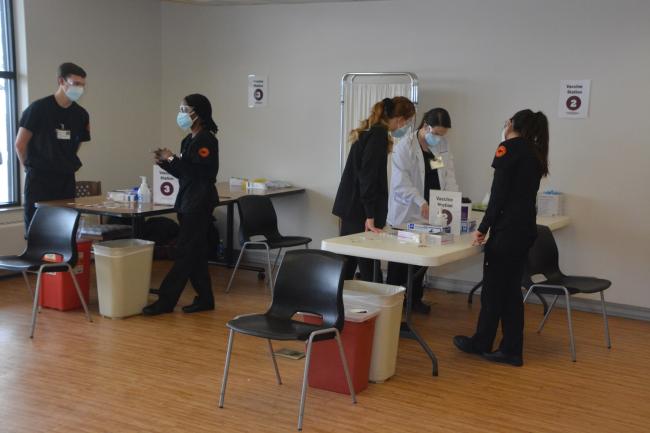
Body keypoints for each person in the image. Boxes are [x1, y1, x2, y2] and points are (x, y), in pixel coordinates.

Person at [453, 109, 549, 366]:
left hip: (508, 231)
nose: (504, 125)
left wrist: (483, 227)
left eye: (507, 122)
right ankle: (496, 344)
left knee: (497, 291)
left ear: (514, 125)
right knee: (507, 291)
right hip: (524, 229)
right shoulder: (535, 151)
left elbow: (499, 194)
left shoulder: (509, 148)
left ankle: (500, 347)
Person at [143, 94, 220, 316]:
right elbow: (183, 174)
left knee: (184, 253)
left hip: (200, 202)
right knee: (194, 253)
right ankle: (205, 299)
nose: (181, 114)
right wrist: (165, 162)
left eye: (184, 109)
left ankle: (165, 301)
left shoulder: (207, 140)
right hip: (187, 200)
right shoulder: (188, 140)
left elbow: (200, 174)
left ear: (198, 113)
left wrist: (173, 159)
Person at [332, 96, 416, 281]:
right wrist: (370, 215)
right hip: (360, 210)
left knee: (347, 263)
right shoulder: (377, 135)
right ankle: (380, 305)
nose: (406, 126)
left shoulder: (371, 130)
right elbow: (368, 177)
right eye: (407, 122)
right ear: (400, 119)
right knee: (368, 266)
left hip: (352, 207)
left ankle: (336, 302)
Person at [386, 108, 458, 314]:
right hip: (407, 212)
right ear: (426, 126)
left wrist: (452, 200)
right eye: (436, 133)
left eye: (443, 134)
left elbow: (447, 175)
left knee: (421, 261)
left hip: (431, 212)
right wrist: (420, 202)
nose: (439, 138)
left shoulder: (441, 146)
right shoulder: (405, 147)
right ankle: (394, 305)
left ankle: (415, 299)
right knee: (400, 263)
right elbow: (402, 183)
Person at [15, 62, 90, 230]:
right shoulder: (38, 109)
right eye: (75, 84)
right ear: (61, 81)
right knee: (38, 230)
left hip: (65, 179)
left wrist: (65, 160)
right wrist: (29, 169)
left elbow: (76, 145)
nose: (80, 89)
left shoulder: (81, 115)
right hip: (40, 179)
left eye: (83, 85)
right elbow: (20, 144)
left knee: (65, 229)